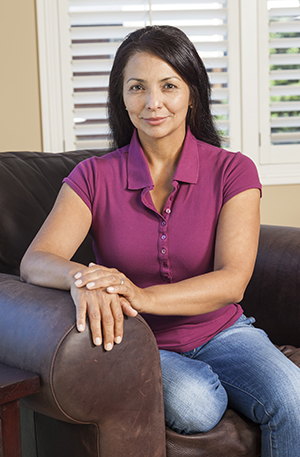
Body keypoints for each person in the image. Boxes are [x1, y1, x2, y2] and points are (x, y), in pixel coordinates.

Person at [20, 25, 300, 457]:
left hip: (223, 332)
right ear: (122, 96)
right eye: (137, 88)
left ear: (193, 93)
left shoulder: (233, 170)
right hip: (136, 340)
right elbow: (36, 260)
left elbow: (232, 281)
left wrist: (137, 294)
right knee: (197, 405)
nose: (153, 103)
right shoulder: (93, 176)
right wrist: (83, 277)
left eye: (169, 86)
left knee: (293, 397)